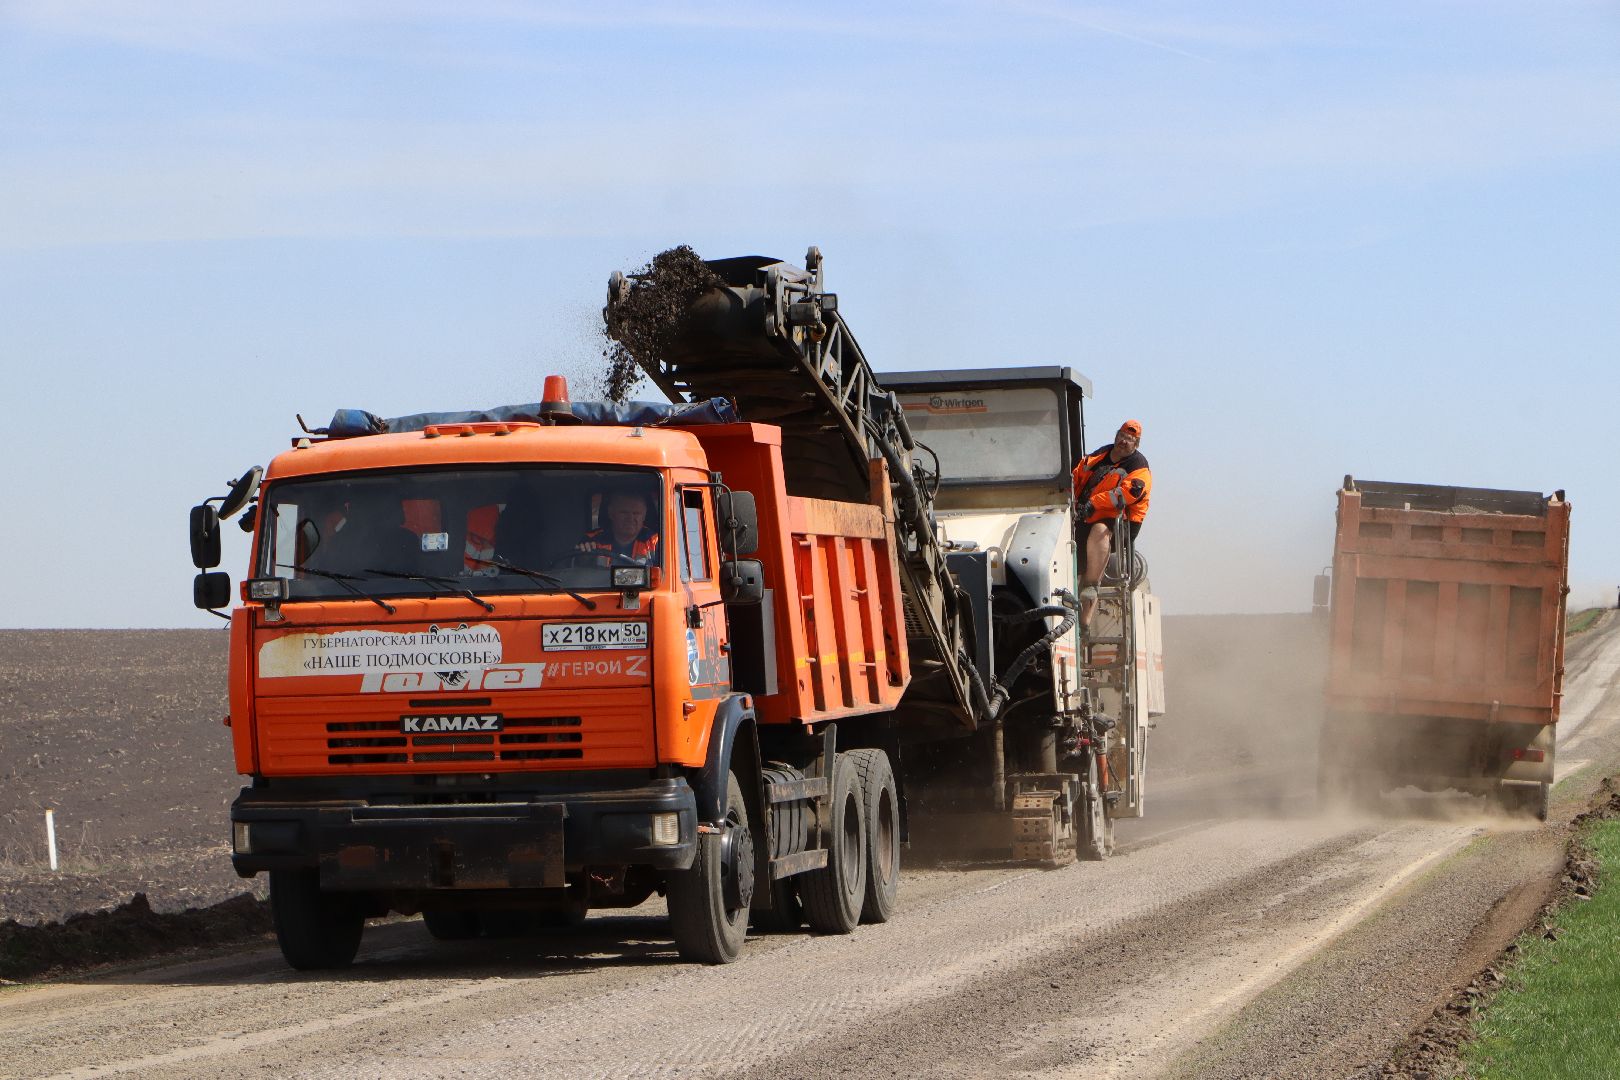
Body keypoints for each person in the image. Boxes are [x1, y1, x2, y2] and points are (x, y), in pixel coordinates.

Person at [1072, 419, 1151, 629]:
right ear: (1116, 436)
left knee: (1099, 531)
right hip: (1084, 515)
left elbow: (1128, 494)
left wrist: (1094, 503)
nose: (1124, 441)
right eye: (1122, 436)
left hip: (1119, 522)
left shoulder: (1139, 468)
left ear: (1136, 444)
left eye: (1130, 439)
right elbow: (1077, 474)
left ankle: (1090, 588)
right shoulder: (1099, 455)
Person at [575, 490, 660, 565]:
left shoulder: (655, 542)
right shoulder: (591, 540)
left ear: (644, 516)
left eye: (636, 513)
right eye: (624, 513)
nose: (630, 518)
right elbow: (577, 575)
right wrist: (583, 559)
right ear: (611, 513)